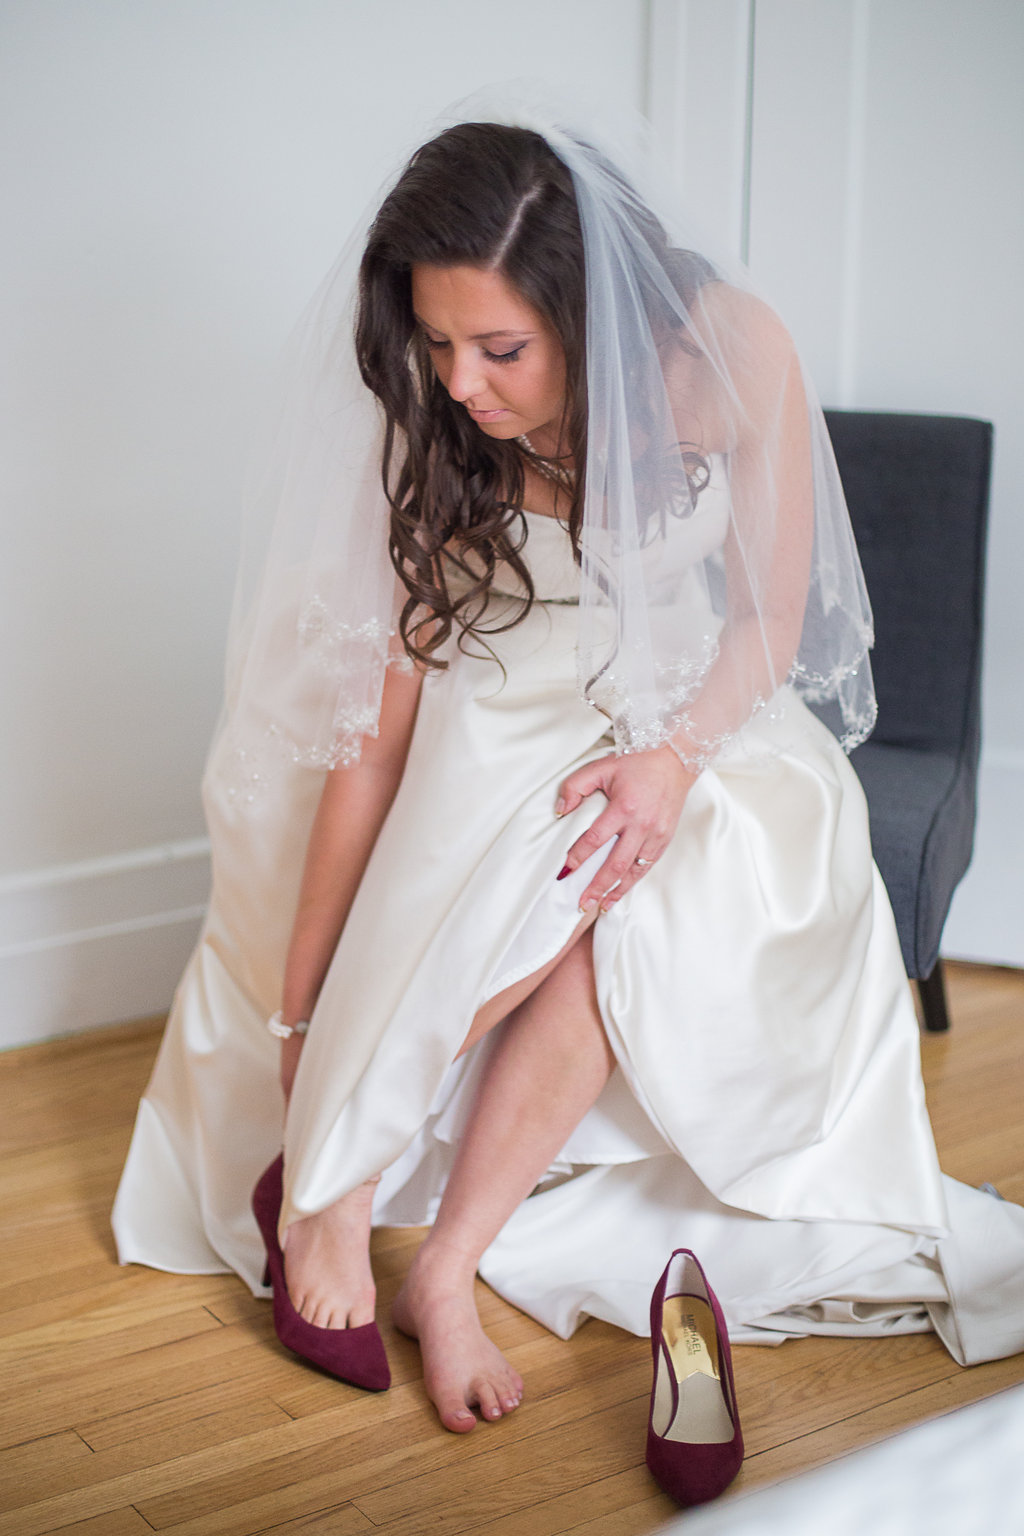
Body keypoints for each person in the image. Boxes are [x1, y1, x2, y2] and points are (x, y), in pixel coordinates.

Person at [113, 93, 1024, 1437]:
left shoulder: (728, 349)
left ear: (592, 312)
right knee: (540, 863)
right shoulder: (428, 415)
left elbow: (770, 615)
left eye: (500, 348)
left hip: (701, 712)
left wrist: (668, 764)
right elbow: (371, 744)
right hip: (507, 692)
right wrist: (299, 1018)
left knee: (632, 871)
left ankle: (415, 1247)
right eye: (435, 345)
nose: (463, 385)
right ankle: (341, 1178)